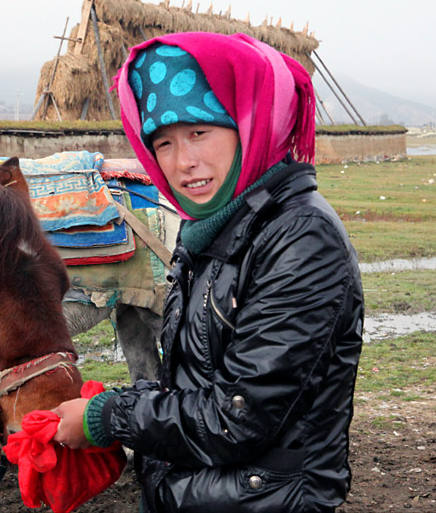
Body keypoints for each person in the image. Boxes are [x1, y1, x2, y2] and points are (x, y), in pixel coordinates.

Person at [53, 31, 364, 513]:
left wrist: (108, 417)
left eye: (200, 133)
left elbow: (238, 416)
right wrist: (113, 403)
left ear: (248, 124)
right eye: (164, 142)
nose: (183, 162)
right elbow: (194, 383)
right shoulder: (213, 229)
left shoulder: (301, 238)